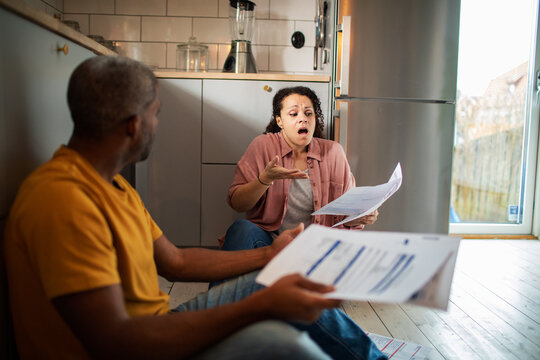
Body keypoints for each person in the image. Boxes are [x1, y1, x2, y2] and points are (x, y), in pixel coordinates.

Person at [2, 56, 386, 360]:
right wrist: (258, 306)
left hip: (156, 325)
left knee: (288, 294)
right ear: (134, 126)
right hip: (143, 343)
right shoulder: (62, 200)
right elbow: (114, 342)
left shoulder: (113, 186)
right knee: (284, 343)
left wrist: (271, 254)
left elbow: (176, 264)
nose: (157, 123)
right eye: (156, 114)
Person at [219, 86, 379, 252]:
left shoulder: (334, 152)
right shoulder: (263, 145)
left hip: (318, 246)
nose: (303, 119)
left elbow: (346, 215)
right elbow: (237, 203)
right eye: (293, 114)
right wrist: (265, 179)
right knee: (242, 229)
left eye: (308, 113)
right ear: (279, 121)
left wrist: (358, 218)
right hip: (270, 244)